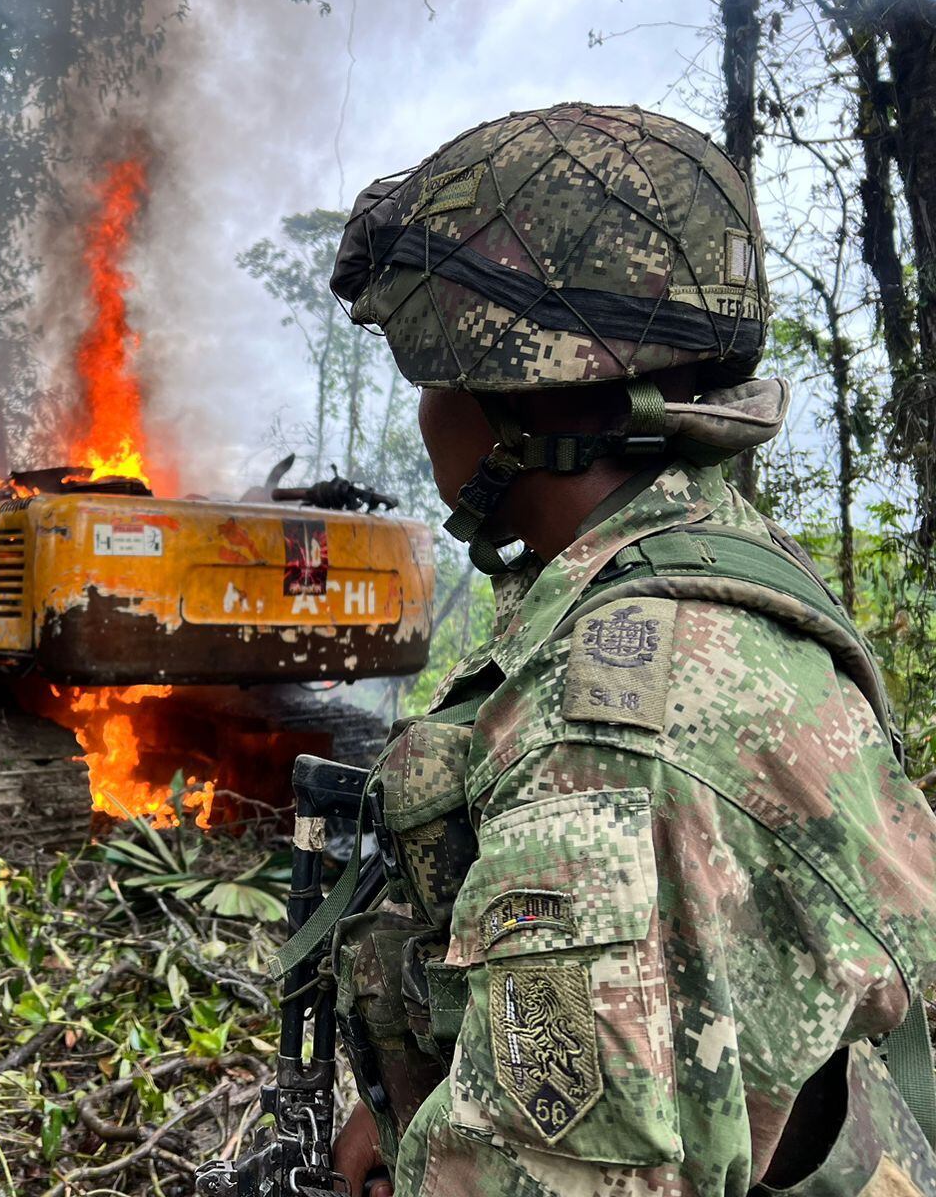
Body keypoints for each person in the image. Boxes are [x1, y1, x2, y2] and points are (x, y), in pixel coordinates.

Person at [323, 103, 936, 1196]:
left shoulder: (607, 748)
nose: (425, 415)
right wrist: (430, 1113)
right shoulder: (718, 566)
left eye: (432, 375)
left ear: (506, 395)